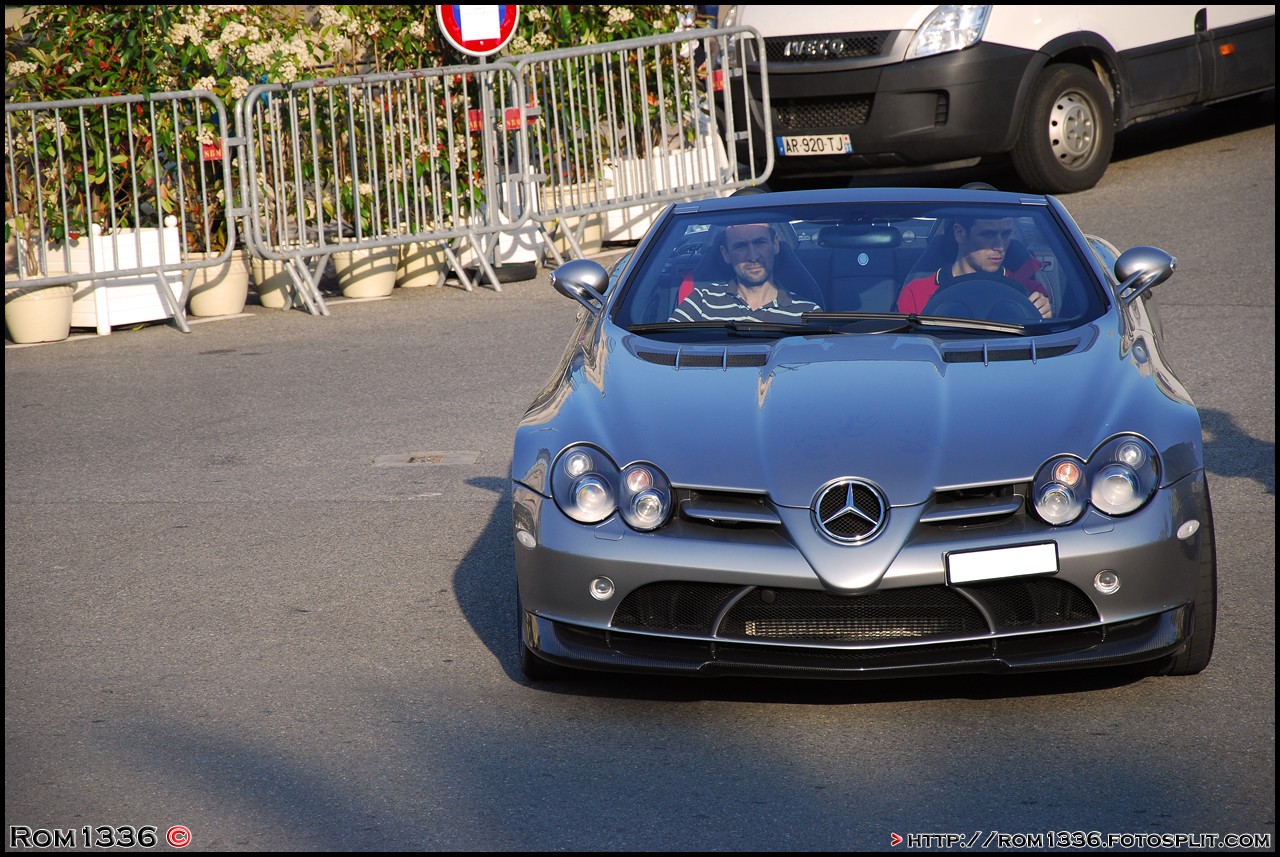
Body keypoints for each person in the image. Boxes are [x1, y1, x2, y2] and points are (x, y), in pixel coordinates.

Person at [896, 216, 1053, 317]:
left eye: (1005, 234)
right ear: (959, 233)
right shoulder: (916, 293)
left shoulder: (1030, 291)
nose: (1000, 246)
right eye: (988, 235)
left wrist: (1043, 319)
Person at [669, 222, 822, 322]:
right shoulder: (700, 302)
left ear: (775, 244)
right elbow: (669, 354)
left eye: (760, 243)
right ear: (726, 254)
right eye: (741, 246)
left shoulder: (807, 313)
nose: (753, 256)